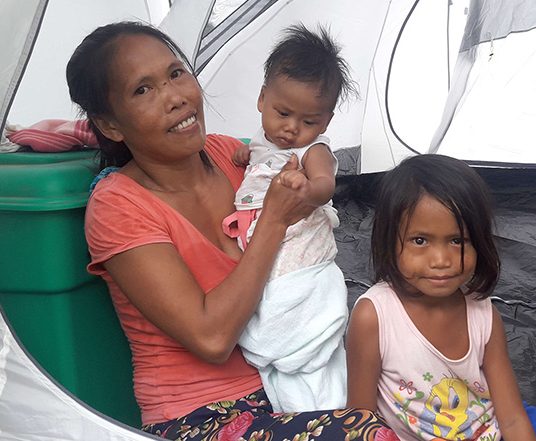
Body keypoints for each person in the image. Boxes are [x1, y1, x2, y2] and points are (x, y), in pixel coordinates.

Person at [67, 21, 396, 441]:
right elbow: (212, 338)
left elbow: (308, 160)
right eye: (143, 90)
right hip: (199, 416)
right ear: (111, 125)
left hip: (283, 384)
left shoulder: (230, 153)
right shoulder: (118, 206)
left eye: (176, 73)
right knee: (365, 434)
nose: (175, 97)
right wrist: (273, 222)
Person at [345, 154, 536, 441]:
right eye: (420, 240)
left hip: (491, 427)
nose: (441, 260)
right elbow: (359, 422)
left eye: (457, 240)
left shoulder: (482, 313)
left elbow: (512, 418)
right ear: (388, 240)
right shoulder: (374, 316)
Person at [223, 24, 357, 412]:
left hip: (301, 261)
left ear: (326, 123)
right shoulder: (263, 142)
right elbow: (260, 155)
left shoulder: (314, 151)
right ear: (262, 99)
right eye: (283, 113)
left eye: (309, 121)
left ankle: (320, 399)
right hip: (267, 251)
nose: (292, 129)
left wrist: (306, 190)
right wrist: (245, 153)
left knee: (303, 341)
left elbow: (326, 185)